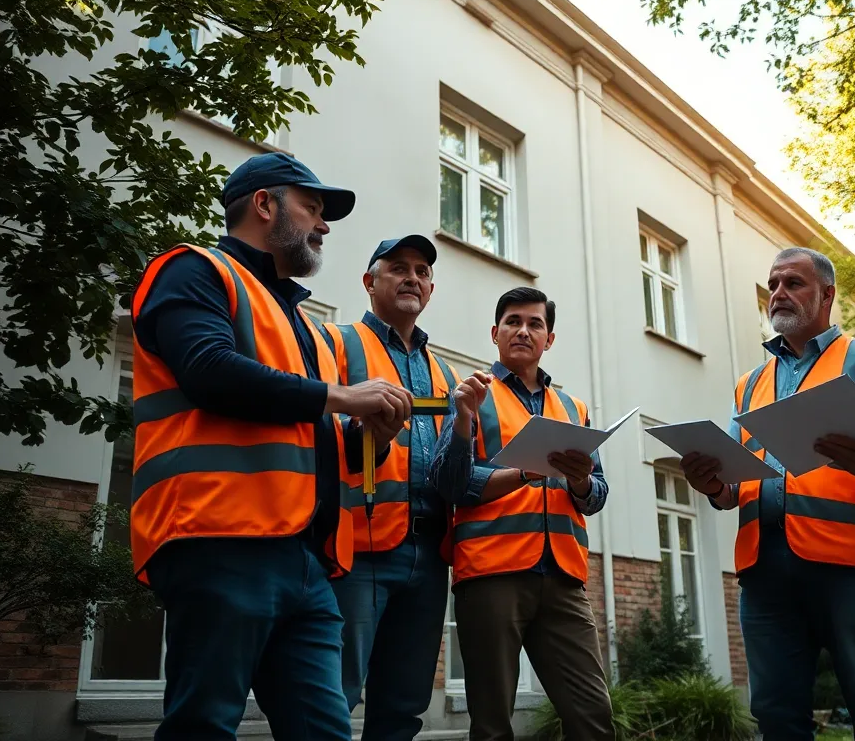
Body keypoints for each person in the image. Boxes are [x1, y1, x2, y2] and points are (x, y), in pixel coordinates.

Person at [130, 152, 413, 740]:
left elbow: (332, 441)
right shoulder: (193, 270)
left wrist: (374, 437)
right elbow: (208, 370)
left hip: (307, 562)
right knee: (203, 726)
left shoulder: (311, 328)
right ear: (264, 205)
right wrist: (345, 398)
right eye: (312, 207)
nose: (324, 225)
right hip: (218, 539)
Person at [680, 248, 855, 741]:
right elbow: (735, 482)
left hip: (852, 566)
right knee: (775, 715)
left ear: (826, 295)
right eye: (773, 283)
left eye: (793, 283)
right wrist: (713, 484)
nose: (778, 293)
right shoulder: (749, 384)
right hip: (765, 565)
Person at [430, 287, 614, 741]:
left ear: (549, 339)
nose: (523, 331)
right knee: (492, 725)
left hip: (564, 579)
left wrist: (579, 481)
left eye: (535, 324)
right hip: (493, 574)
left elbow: (597, 494)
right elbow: (449, 484)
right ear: (495, 333)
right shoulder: (471, 397)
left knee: (593, 717)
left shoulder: (574, 410)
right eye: (513, 321)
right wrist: (465, 425)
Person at [320, 235, 459, 741]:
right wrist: (368, 438)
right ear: (369, 281)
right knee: (332, 695)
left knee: (403, 705)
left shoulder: (442, 371)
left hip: (428, 553)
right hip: (357, 550)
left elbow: (447, 460)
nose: (413, 278)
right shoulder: (336, 343)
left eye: (422, 271)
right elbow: (318, 439)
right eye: (399, 267)